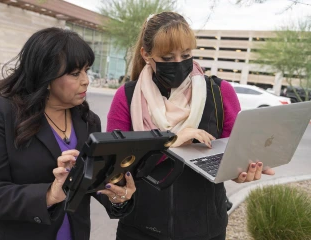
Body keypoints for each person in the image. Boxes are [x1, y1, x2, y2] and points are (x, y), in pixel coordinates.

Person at [107, 12, 275, 240]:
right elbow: (112, 167)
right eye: (167, 58)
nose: (178, 64)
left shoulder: (219, 93)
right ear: (146, 54)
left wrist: (240, 171)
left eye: (186, 55)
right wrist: (170, 144)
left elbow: (232, 156)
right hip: (140, 228)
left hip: (205, 230)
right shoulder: (127, 96)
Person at [0, 27, 136, 240]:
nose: (86, 80)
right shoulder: (3, 113)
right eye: (75, 73)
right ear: (46, 75)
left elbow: (90, 183)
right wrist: (48, 195)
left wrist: (115, 195)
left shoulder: (88, 120)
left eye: (87, 70)